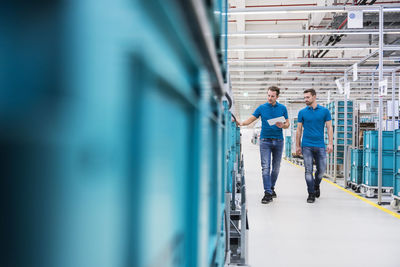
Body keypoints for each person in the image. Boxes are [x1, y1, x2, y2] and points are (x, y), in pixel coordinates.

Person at [236, 86, 289, 204]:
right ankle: (267, 193)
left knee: (276, 168)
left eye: (272, 96)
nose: (270, 98)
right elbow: (251, 119)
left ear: (277, 97)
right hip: (265, 141)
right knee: (265, 168)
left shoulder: (283, 108)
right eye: (268, 95)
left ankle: (271, 187)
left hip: (279, 141)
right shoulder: (262, 108)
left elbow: (288, 124)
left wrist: (283, 125)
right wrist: (241, 123)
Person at [296, 89, 333, 203]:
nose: (305, 100)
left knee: (321, 170)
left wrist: (330, 143)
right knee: (308, 170)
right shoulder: (302, 112)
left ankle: (316, 185)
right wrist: (297, 146)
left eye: (308, 97)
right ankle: (311, 193)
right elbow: (298, 130)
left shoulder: (325, 111)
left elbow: (329, 127)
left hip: (320, 145)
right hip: (306, 145)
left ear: (314, 97)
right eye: (305, 97)